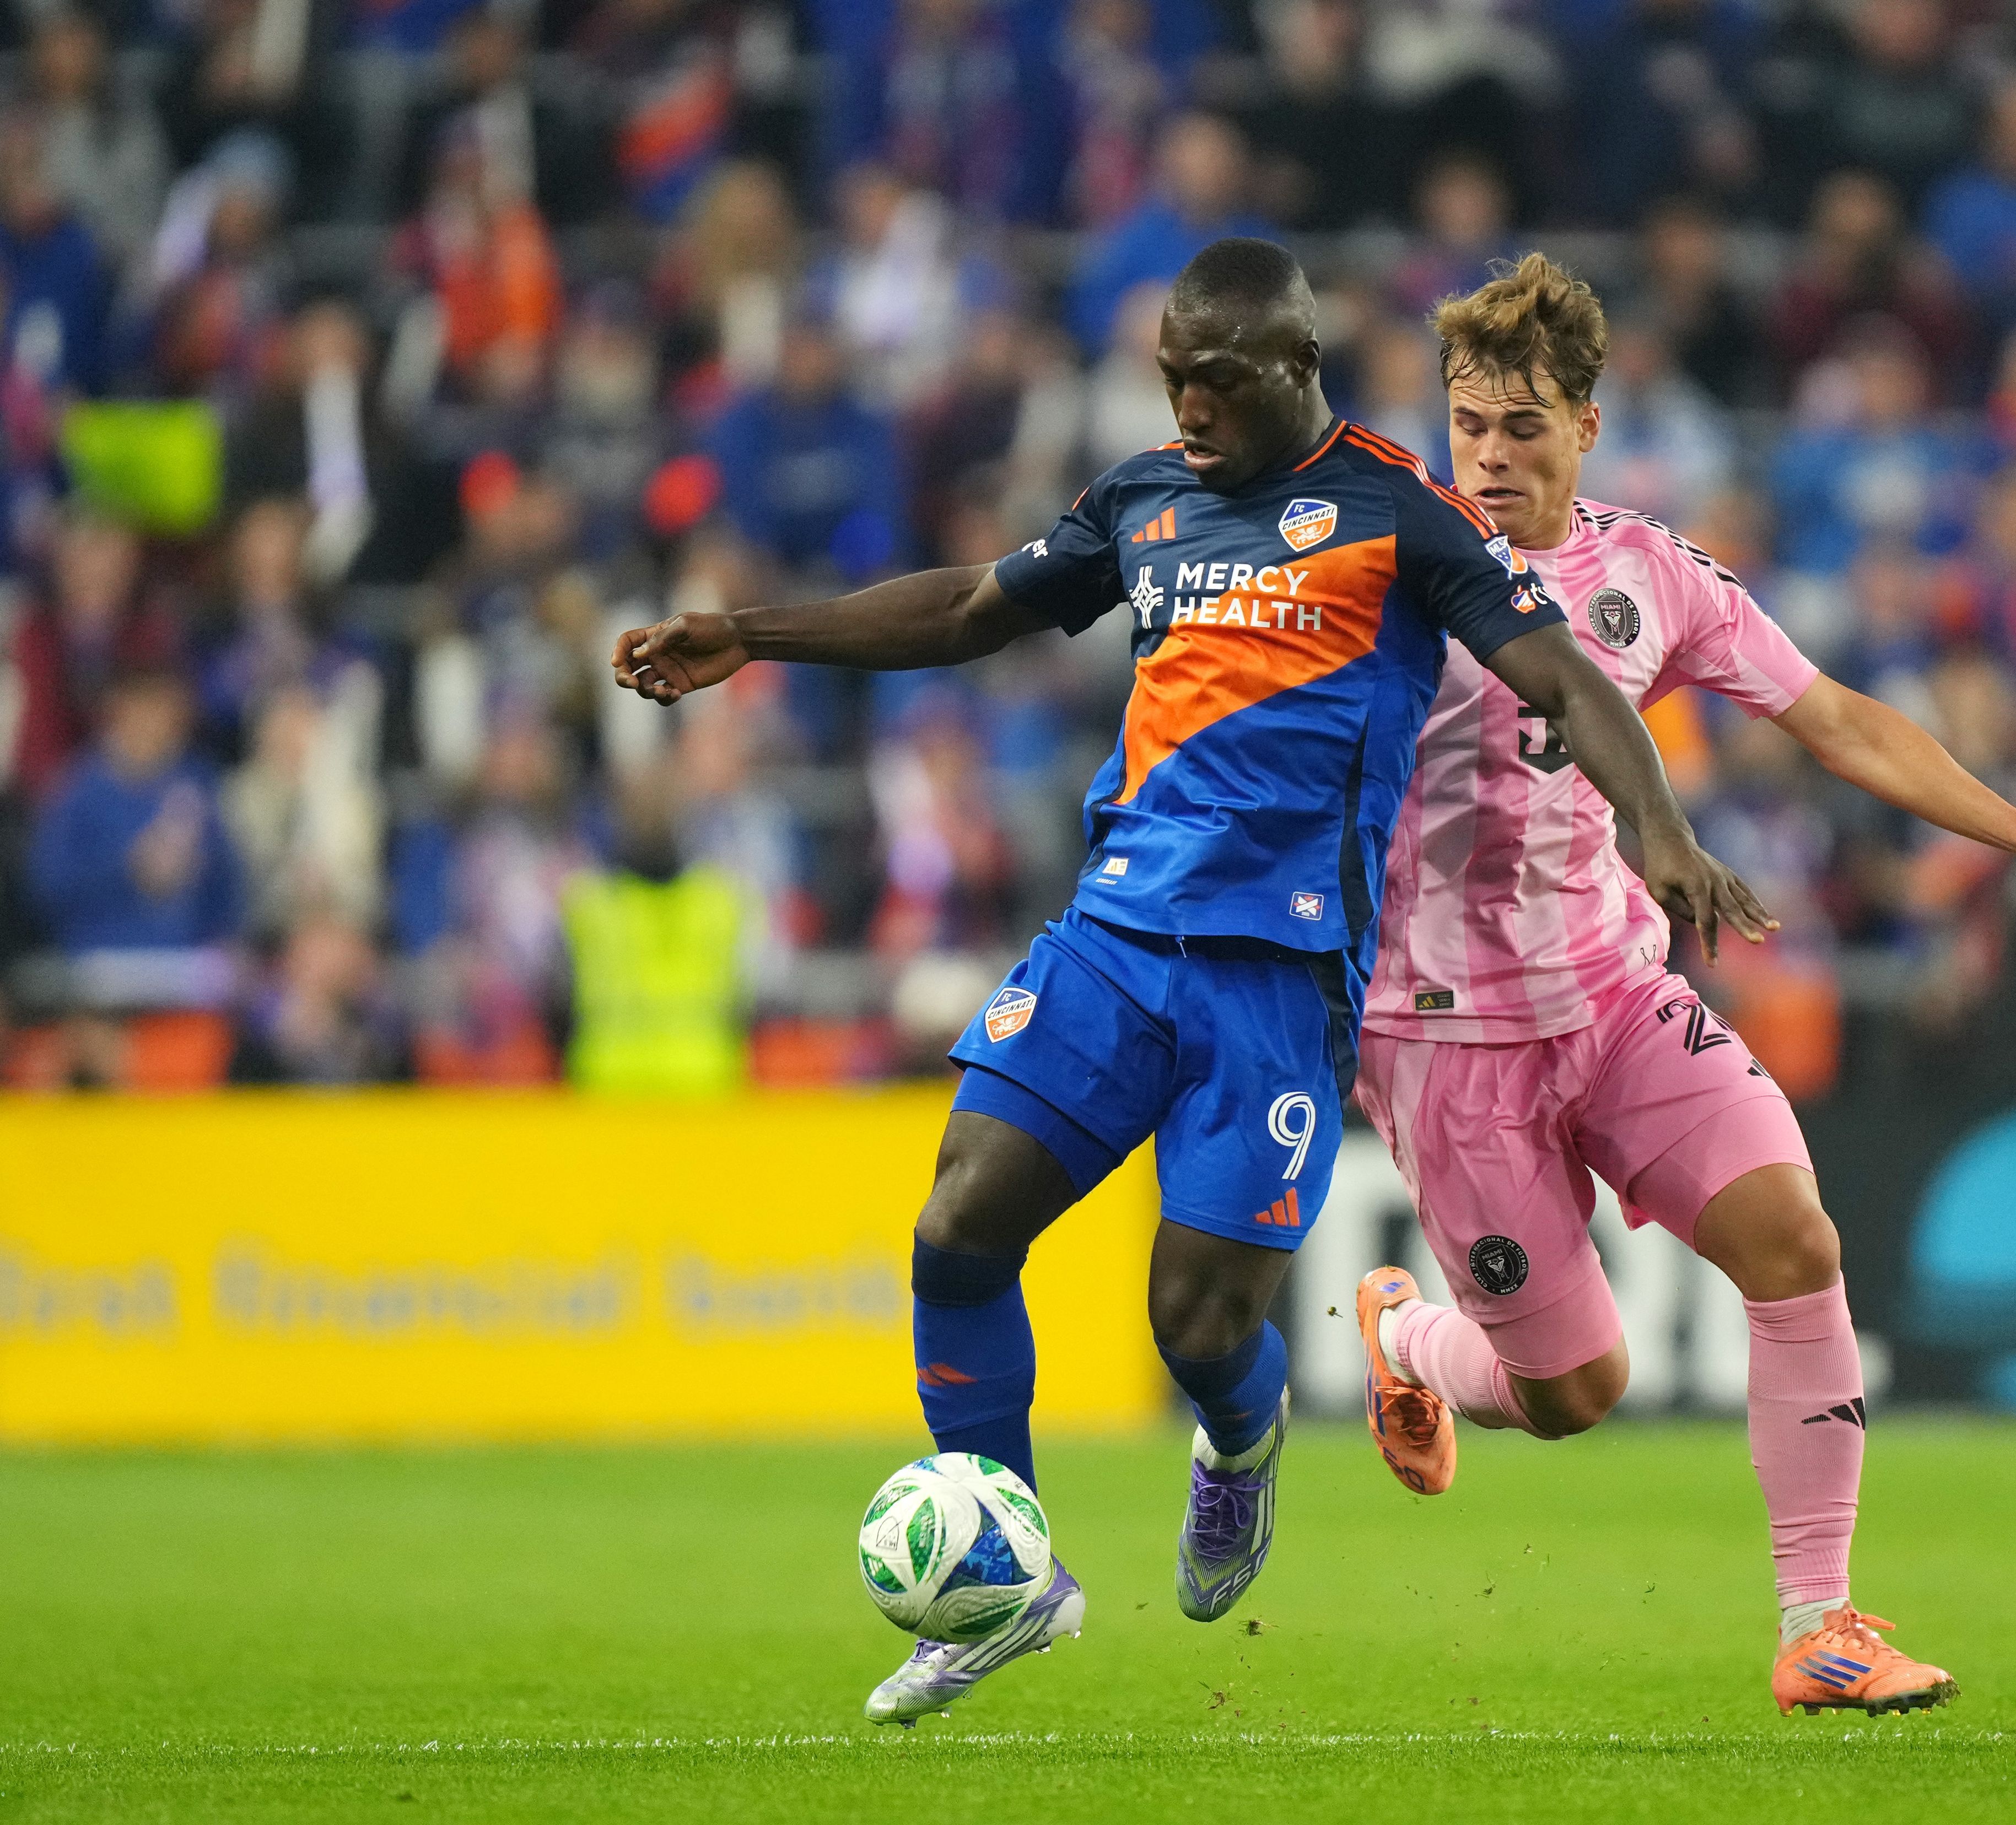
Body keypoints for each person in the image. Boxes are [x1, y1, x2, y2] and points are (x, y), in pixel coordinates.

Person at [608, 237, 1763, 1720]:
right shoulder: (1142, 499)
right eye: (1172, 381)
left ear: (1294, 368)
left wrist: (1659, 830)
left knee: (1195, 1322)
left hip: (1277, 980)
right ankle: (1004, 1579)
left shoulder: (1399, 514)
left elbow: (1563, 677)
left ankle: (1240, 1441)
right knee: (959, 1226)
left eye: (1214, 383)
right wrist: (751, 638)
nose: (1189, 407)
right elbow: (975, 608)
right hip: (1116, 931)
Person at [1348, 255, 2016, 1718]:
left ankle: (1822, 1626)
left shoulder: (1649, 574)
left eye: (1524, 426)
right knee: (1574, 1398)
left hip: (1612, 992)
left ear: (1590, 429)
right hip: (1441, 1038)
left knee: (1796, 1239)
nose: (1489, 454)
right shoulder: (1381, 573)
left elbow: (1840, 720)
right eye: (1470, 423)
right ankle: (1411, 1335)